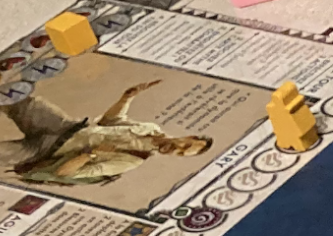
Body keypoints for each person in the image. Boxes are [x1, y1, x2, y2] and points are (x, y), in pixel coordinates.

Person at [0, 79, 215, 186]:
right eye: (185, 145)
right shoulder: (151, 128)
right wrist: (127, 98)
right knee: (17, 99)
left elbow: (64, 173)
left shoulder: (130, 161)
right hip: (64, 127)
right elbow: (110, 122)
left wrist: (90, 155)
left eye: (181, 153)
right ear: (188, 136)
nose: (177, 149)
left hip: (42, 151)